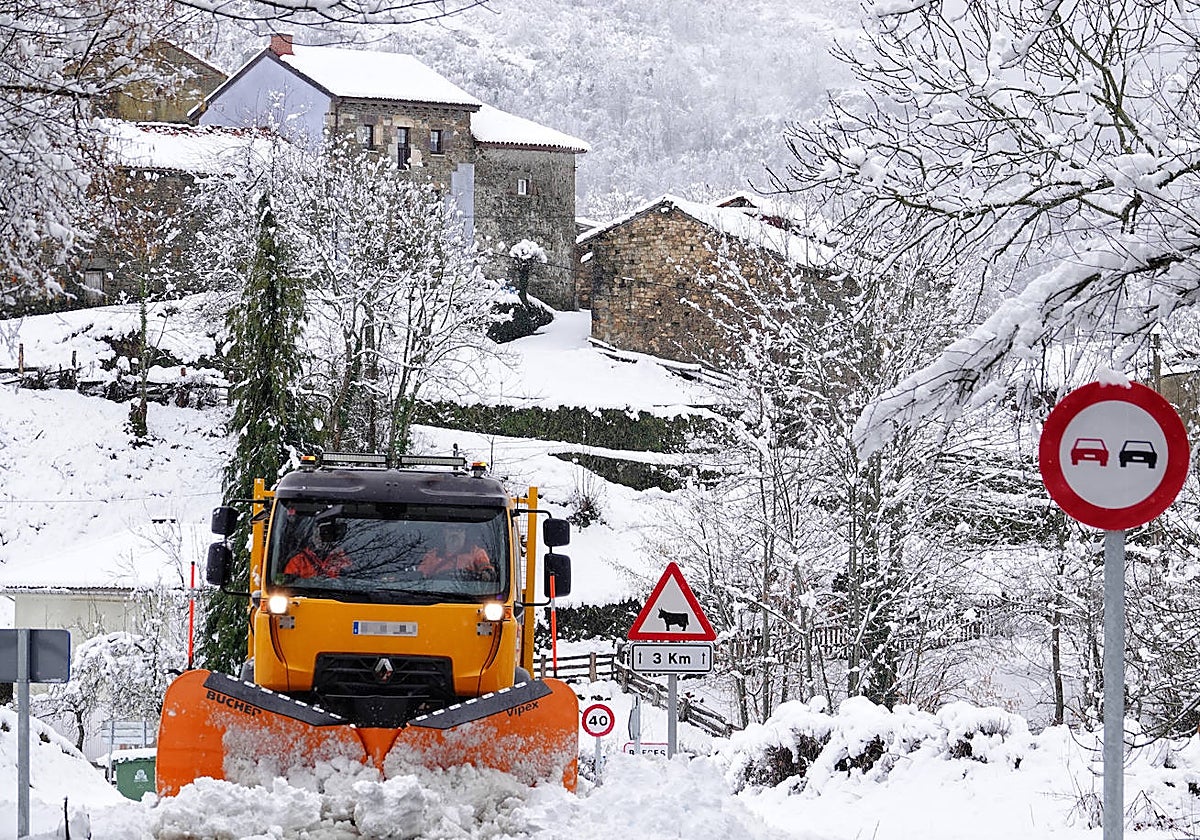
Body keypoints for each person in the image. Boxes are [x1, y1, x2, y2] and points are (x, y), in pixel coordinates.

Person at [418, 523, 496, 581]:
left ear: (465, 533)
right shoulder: (432, 556)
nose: (454, 533)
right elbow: (419, 577)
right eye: (450, 529)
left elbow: (487, 572)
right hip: (436, 594)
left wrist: (484, 574)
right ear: (444, 532)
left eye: (459, 529)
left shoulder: (476, 554)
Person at [284, 520, 351, 579]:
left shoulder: (342, 559)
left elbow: (348, 581)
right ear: (315, 533)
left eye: (332, 533)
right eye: (325, 532)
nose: (328, 536)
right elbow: (287, 586)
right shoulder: (298, 561)